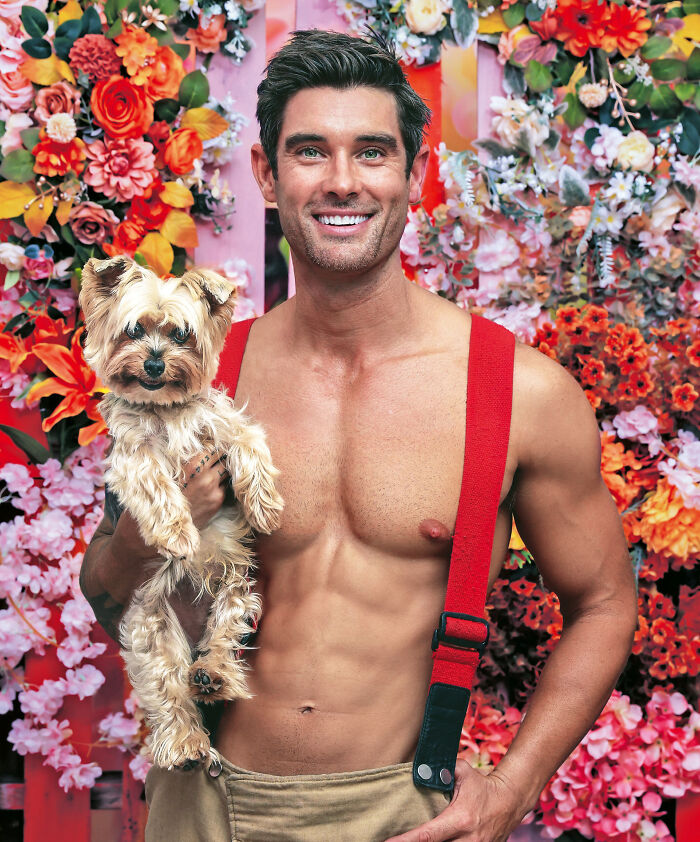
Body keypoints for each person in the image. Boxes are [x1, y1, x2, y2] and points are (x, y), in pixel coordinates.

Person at [80, 30, 638, 842]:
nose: (342, 182)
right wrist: (142, 537)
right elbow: (107, 590)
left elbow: (604, 601)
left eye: (373, 153)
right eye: (310, 152)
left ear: (416, 174)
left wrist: (513, 787)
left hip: (400, 815)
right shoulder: (200, 379)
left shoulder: (520, 392)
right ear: (269, 176)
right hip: (202, 806)